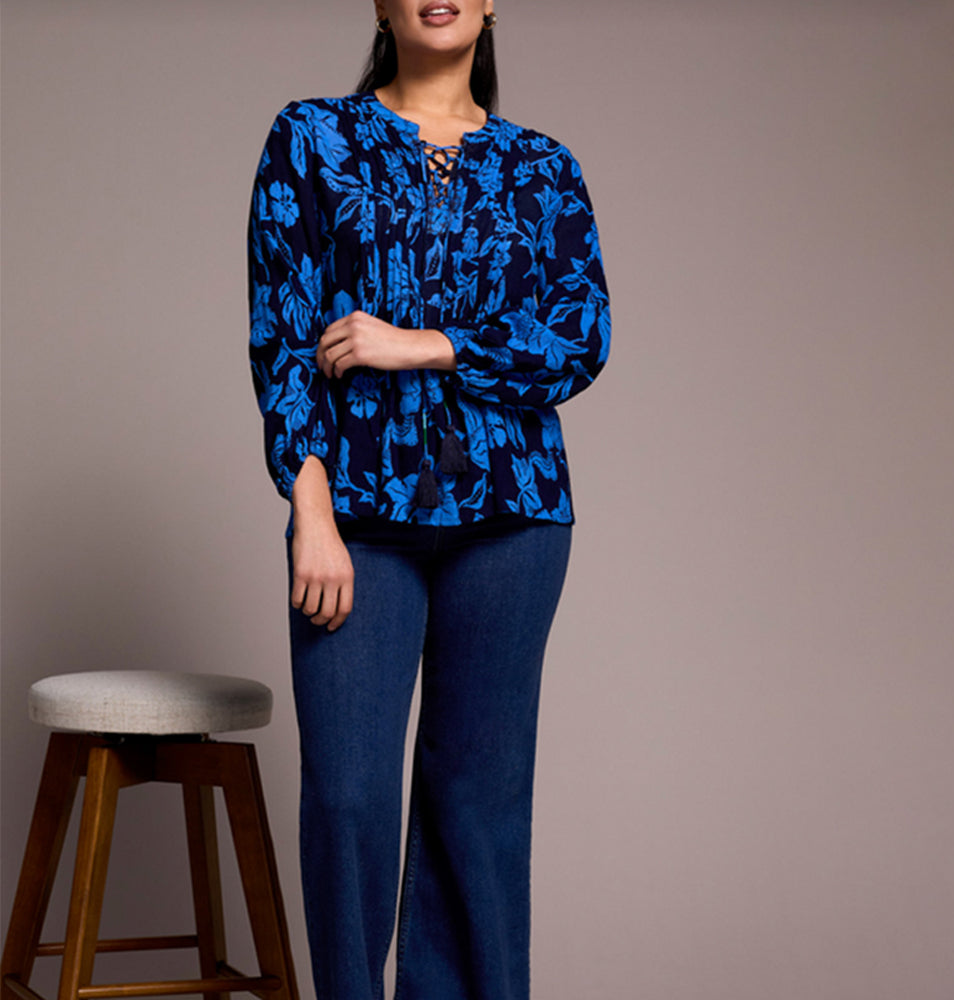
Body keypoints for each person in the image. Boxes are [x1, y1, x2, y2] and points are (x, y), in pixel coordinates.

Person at [247, 2, 610, 997]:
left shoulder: (544, 166)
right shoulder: (314, 138)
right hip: (357, 514)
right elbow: (284, 339)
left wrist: (428, 344)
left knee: (476, 804)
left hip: (515, 516)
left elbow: (581, 336)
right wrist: (307, 507)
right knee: (349, 798)